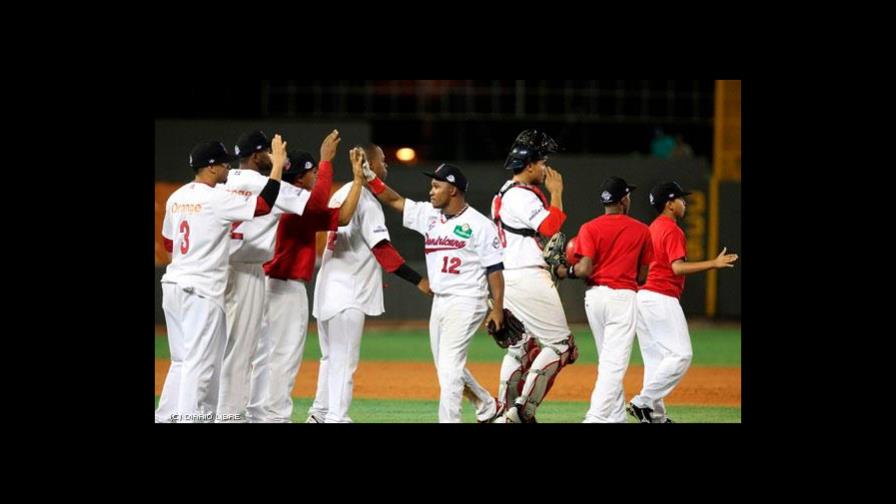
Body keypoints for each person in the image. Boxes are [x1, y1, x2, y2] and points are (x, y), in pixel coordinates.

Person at [155, 136, 287, 423]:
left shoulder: (177, 197)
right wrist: (276, 167)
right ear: (211, 168)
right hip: (202, 289)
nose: (229, 168)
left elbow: (168, 243)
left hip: (174, 284)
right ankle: (190, 419)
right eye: (224, 164)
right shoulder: (216, 197)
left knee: (181, 360)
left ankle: (166, 417)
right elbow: (263, 206)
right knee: (200, 363)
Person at [216, 130, 340, 423]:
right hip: (250, 271)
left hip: (223, 270)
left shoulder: (224, 182)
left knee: (240, 350)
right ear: (258, 155)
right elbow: (316, 206)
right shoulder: (264, 184)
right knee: (261, 352)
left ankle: (243, 413)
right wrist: (324, 162)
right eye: (268, 154)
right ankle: (251, 416)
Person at [371, 162, 506, 423]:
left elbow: (495, 269)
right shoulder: (428, 215)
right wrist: (368, 177)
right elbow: (395, 200)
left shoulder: (479, 224)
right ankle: (488, 405)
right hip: (441, 302)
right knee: (446, 367)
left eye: (436, 185)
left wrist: (497, 306)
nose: (430, 191)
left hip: (468, 300)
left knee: (449, 367)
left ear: (453, 189)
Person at [307, 144, 430, 423]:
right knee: (344, 362)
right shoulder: (364, 199)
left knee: (330, 359)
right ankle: (337, 417)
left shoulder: (342, 193)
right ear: (370, 165)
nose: (386, 166)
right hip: (348, 294)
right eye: (382, 161)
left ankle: (319, 413)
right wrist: (418, 280)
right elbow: (382, 249)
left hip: (328, 290)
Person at [244, 147, 366, 422]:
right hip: (285, 289)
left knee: (262, 356)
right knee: (284, 357)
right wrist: (329, 163)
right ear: (299, 179)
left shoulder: (279, 201)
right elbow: (333, 211)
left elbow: (337, 215)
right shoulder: (298, 207)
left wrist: (352, 180)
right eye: (312, 173)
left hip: (262, 284)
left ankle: (256, 414)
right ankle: (277, 417)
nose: (315, 178)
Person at [627, 181, 738, 423]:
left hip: (642, 297)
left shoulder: (652, 228)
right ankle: (643, 401)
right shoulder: (671, 229)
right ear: (669, 204)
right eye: (680, 198)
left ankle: (655, 417)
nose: (684, 202)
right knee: (681, 355)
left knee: (656, 360)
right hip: (660, 297)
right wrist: (713, 263)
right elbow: (677, 268)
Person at [490, 129, 578, 423]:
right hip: (527, 276)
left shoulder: (502, 193)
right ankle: (520, 413)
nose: (546, 168)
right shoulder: (522, 196)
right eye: (542, 162)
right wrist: (557, 193)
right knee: (562, 346)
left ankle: (505, 408)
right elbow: (551, 227)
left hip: (511, 275)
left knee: (523, 346)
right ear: (529, 165)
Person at [555, 176, 653, 423]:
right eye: (628, 195)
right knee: (614, 364)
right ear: (623, 200)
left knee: (608, 359)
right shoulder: (641, 230)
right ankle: (595, 418)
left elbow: (585, 269)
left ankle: (616, 417)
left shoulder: (589, 227)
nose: (629, 198)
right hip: (622, 298)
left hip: (595, 299)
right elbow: (642, 276)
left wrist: (564, 271)